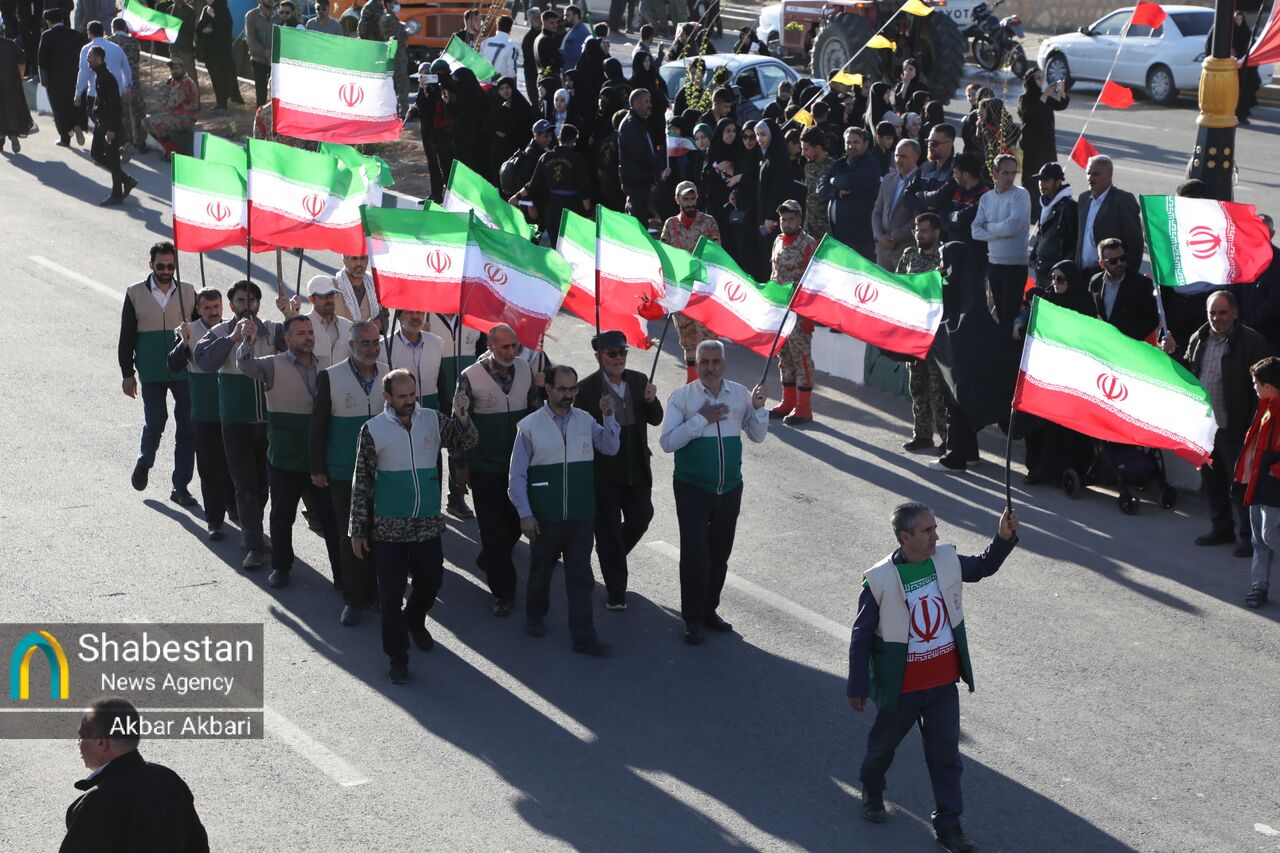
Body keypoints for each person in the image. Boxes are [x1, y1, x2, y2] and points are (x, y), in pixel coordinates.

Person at [848, 502, 1019, 853]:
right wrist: (857, 685)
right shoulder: (879, 579)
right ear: (905, 537)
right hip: (903, 688)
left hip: (941, 685)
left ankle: (949, 826)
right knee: (881, 749)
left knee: (946, 758)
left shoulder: (945, 560)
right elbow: (861, 636)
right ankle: (872, 790)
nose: (935, 536)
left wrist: (1002, 537)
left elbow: (983, 566)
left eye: (935, 528)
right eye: (927, 531)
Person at [350, 369, 478, 683]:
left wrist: (462, 416)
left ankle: (415, 618)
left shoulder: (431, 419)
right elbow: (362, 481)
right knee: (391, 597)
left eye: (412, 394)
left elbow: (467, 441)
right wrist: (358, 529)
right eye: (402, 396)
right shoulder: (373, 430)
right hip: (388, 529)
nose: (409, 401)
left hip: (427, 524)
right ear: (387, 397)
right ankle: (398, 658)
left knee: (431, 581)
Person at [659, 340, 769, 644]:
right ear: (696, 364)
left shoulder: (740, 394)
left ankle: (709, 610)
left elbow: (757, 436)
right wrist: (701, 419)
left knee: (720, 553)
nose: (710, 368)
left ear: (724, 364)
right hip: (692, 488)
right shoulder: (682, 398)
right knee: (695, 554)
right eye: (704, 362)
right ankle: (692, 620)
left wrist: (759, 408)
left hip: (730, 488)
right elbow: (667, 442)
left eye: (715, 362)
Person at [508, 364, 619, 653]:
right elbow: (516, 476)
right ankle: (535, 615)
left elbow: (610, 447)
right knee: (541, 570)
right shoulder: (530, 426)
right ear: (548, 388)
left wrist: (609, 416)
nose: (569, 395)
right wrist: (525, 514)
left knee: (581, 576)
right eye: (563, 389)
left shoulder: (585, 419)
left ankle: (584, 636)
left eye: (573, 389)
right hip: (546, 516)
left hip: (581, 514)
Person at [237, 314, 343, 590]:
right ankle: (281, 567)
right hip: (285, 459)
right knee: (282, 517)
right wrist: (248, 341)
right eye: (301, 333)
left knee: (331, 519)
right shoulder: (273, 365)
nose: (308, 337)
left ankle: (343, 575)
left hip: (320, 459)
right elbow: (245, 364)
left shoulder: (328, 365)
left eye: (310, 332)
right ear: (287, 339)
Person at [1160, 291, 1270, 558]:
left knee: (1242, 486)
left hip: (1237, 428)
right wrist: (1173, 353)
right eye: (1212, 313)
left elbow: (1264, 389)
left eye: (1222, 313)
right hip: (1207, 427)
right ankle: (1221, 528)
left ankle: (1249, 537)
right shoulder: (1198, 338)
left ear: (1235, 313)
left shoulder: (1252, 342)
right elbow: (1188, 374)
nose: (1217, 318)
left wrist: (1254, 428)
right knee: (1213, 481)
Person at [573, 330, 664, 610]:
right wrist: (602, 414)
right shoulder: (586, 389)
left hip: (636, 466)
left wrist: (651, 401)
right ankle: (616, 593)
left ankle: (610, 554)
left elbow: (656, 419)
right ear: (598, 356)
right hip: (605, 471)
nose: (618, 358)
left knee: (642, 516)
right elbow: (580, 433)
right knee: (609, 530)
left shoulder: (638, 380)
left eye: (622, 352)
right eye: (612, 353)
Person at [195, 281, 279, 569]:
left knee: (263, 485)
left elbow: (297, 346)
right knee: (245, 485)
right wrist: (233, 338)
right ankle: (254, 543)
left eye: (252, 300)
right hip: (235, 422)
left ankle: (254, 529)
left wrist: (290, 315)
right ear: (231, 305)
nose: (247, 306)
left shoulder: (272, 330)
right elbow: (205, 362)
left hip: (268, 421)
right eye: (241, 301)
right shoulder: (219, 333)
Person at [458, 324, 539, 616]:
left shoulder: (526, 369)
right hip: (485, 467)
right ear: (490, 345)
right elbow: (460, 424)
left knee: (516, 523)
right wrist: (461, 466)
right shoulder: (469, 377)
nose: (510, 352)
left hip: (519, 466)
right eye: (504, 346)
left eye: (514, 346)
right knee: (493, 530)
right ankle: (504, 594)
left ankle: (490, 557)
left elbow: (535, 412)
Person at [312, 321, 387, 625]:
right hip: (345, 472)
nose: (372, 348)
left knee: (379, 533)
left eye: (375, 342)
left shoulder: (389, 375)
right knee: (351, 534)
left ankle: (374, 592)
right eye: (365, 343)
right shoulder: (330, 377)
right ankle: (354, 598)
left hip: (383, 472)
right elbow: (318, 426)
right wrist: (317, 468)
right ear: (351, 346)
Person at [62, 697, 208, 851]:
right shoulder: (170, 781)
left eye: (82, 736)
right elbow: (198, 845)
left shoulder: (96, 802)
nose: (78, 742)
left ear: (101, 742)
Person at [120, 241, 198, 502]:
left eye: (171, 266)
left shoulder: (188, 292)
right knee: (156, 421)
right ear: (150, 264)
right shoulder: (135, 293)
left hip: (183, 369)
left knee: (188, 427)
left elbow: (203, 330)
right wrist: (127, 373)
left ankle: (180, 487)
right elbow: (126, 336)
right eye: (161, 266)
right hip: (151, 370)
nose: (166, 271)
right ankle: (145, 461)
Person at [166, 287, 236, 539]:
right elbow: (174, 364)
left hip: (232, 410)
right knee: (209, 467)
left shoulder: (232, 328)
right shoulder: (188, 330)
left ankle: (235, 508)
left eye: (216, 307)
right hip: (204, 411)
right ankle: (214, 520)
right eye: (207, 308)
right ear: (198, 308)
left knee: (233, 465)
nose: (213, 312)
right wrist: (183, 342)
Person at [897, 213, 947, 453]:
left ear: (936, 232)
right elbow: (898, 284)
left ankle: (948, 439)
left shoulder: (945, 257)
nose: (919, 235)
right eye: (917, 230)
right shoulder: (909, 255)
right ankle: (923, 435)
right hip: (914, 332)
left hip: (937, 334)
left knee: (939, 391)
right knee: (917, 386)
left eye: (924, 230)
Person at [660, 181, 721, 381]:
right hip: (681, 291)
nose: (690, 203)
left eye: (692, 198)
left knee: (709, 340)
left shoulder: (708, 222)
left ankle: (711, 382)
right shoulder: (670, 225)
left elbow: (716, 254)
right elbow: (664, 256)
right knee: (688, 340)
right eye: (685, 199)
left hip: (703, 292)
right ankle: (692, 382)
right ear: (677, 200)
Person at [1233, 356, 1280, 608]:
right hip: (1256, 481)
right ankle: (1258, 586)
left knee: (1270, 534)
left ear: (1268, 387)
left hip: (1273, 484)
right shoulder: (1265, 406)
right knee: (1258, 539)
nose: (1254, 387)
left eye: (1256, 383)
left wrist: (1275, 471)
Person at [767, 200, 819, 425]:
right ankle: (787, 402)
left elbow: (814, 281)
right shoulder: (778, 241)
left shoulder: (808, 244)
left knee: (801, 358)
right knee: (784, 356)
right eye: (783, 219)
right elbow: (774, 273)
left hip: (799, 311)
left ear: (799, 220)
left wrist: (808, 314)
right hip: (780, 309)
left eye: (791, 219)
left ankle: (804, 408)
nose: (786, 223)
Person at [971, 153, 1031, 338]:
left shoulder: (1020, 194)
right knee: (999, 315)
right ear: (995, 173)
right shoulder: (986, 198)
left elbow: (1012, 227)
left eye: (1013, 173)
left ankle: (1008, 353)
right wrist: (998, 233)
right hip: (994, 263)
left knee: (1009, 317)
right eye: (1005, 173)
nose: (1010, 177)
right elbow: (975, 230)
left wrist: (988, 227)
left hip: (1015, 265)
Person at [512, 122, 591, 245]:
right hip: (571, 211)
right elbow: (584, 190)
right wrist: (588, 213)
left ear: (559, 138)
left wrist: (517, 197)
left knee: (555, 246)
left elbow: (532, 185)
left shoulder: (545, 157)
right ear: (574, 140)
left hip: (551, 211)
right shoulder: (578, 159)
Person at [1075, 154, 1143, 272]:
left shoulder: (1123, 200)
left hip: (1108, 274)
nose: (1090, 178)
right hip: (1081, 272)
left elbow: (1134, 243)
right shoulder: (1083, 199)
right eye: (1088, 173)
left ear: (1109, 175)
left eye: (1095, 174)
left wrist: (1128, 276)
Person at [821, 126, 880, 261]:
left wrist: (834, 180)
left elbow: (846, 181)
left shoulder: (871, 165)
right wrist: (837, 192)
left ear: (866, 144)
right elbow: (821, 188)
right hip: (840, 235)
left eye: (856, 142)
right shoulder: (839, 164)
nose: (851, 146)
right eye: (848, 142)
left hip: (862, 236)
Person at [1017, 67, 1068, 218]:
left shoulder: (1043, 96)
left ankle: (1047, 209)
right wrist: (1045, 95)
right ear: (1030, 80)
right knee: (1032, 180)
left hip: (1046, 146)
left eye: (1042, 78)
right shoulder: (1024, 98)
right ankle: (1032, 212)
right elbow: (1029, 115)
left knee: (1048, 178)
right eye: (1037, 78)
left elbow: (1061, 105)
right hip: (1032, 146)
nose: (1040, 81)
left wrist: (1061, 91)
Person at [1089, 237, 1158, 341]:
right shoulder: (1095, 281)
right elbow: (1092, 312)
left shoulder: (1142, 284)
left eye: (1122, 258)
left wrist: (1127, 340)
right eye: (1113, 261)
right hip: (1103, 342)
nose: (1119, 263)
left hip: (1129, 345)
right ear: (1102, 264)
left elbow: (1152, 320)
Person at [37, 9, 87, 148]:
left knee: (60, 107)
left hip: (56, 79)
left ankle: (65, 137)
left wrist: (44, 80)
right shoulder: (75, 34)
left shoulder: (47, 35)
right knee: (76, 103)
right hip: (75, 76)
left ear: (49, 22)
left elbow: (42, 59)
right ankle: (77, 124)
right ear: (62, 19)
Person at [871, 139, 921, 270]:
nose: (898, 160)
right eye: (897, 155)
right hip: (883, 252)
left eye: (903, 156)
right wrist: (879, 236)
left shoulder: (921, 181)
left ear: (916, 157)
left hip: (906, 252)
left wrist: (894, 237)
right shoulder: (888, 179)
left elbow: (918, 218)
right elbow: (877, 211)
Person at [383, 310, 445, 409]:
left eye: (419, 312)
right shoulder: (384, 347)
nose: (415, 317)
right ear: (398, 317)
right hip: (399, 413)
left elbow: (441, 384)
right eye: (408, 312)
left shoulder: (437, 343)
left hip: (431, 411)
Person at [1029, 162, 1077, 288]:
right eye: (1040, 180)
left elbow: (1075, 242)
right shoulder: (1044, 203)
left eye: (1046, 180)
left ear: (1058, 182)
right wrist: (1033, 256)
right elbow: (1042, 234)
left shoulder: (1069, 206)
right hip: (1041, 270)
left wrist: (1063, 270)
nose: (1041, 184)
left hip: (1057, 275)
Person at [619, 87, 661, 227]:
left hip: (641, 180)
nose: (650, 105)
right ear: (636, 104)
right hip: (635, 180)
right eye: (646, 101)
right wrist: (658, 164)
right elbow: (640, 154)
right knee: (638, 222)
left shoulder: (640, 122)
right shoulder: (631, 125)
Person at [143, 58, 198, 158]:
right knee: (145, 122)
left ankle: (175, 152)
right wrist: (164, 96)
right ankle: (167, 148)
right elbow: (164, 101)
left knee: (156, 124)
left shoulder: (185, 83)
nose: (174, 71)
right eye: (172, 69)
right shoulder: (173, 81)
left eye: (177, 68)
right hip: (175, 115)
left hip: (186, 119)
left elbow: (171, 104)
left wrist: (164, 96)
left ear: (183, 69)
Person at [294, 275, 353, 365]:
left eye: (332, 295)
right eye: (323, 296)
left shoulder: (348, 326)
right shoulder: (300, 326)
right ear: (311, 299)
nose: (329, 300)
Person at [108, 17, 146, 154]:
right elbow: (136, 60)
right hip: (134, 82)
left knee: (123, 114)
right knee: (138, 113)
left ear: (113, 28)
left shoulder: (109, 42)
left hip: (117, 83)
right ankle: (141, 143)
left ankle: (127, 143)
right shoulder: (134, 42)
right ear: (125, 28)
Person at [196, 0, 242, 110]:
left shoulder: (223, 10)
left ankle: (224, 103)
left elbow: (226, 28)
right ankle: (219, 102)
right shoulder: (205, 10)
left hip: (222, 52)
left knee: (223, 77)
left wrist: (214, 16)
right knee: (215, 78)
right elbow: (198, 29)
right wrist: (203, 30)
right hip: (209, 52)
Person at [74, 21, 131, 107]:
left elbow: (83, 73)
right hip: (116, 93)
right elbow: (126, 70)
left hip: (95, 94)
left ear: (89, 33)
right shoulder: (117, 48)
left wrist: (78, 93)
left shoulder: (87, 49)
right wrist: (127, 88)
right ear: (103, 32)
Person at [332, 253, 384, 329]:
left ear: (368, 260)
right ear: (344, 260)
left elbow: (384, 317)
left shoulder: (375, 285)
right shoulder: (331, 288)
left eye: (363, 258)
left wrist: (377, 324)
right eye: (354, 258)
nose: (359, 263)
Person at [243, 0, 278, 107]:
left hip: (275, 60)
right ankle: (260, 115)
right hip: (258, 59)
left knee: (276, 92)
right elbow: (250, 39)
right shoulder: (251, 16)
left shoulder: (278, 16)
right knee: (261, 93)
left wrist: (273, 52)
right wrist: (264, 51)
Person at [799, 126, 832, 240]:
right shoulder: (808, 166)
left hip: (827, 232)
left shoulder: (833, 168)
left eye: (806, 149)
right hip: (808, 230)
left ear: (818, 148)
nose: (803, 153)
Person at [479, 14, 520, 79]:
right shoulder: (512, 47)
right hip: (500, 83)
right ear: (510, 29)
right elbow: (512, 74)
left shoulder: (485, 42)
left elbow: (480, 63)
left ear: (497, 27)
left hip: (483, 82)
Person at [521, 7, 542, 110]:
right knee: (536, 103)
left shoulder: (546, 33)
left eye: (540, 17)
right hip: (532, 76)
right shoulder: (528, 39)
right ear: (531, 21)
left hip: (543, 75)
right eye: (537, 18)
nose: (540, 20)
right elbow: (533, 58)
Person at [534, 9, 563, 79]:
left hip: (542, 76)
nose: (555, 25)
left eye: (556, 22)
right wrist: (547, 74)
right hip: (549, 78)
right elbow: (556, 62)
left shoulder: (538, 37)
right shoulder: (547, 39)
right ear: (543, 22)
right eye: (551, 23)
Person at [559, 4, 589, 71]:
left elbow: (579, 54)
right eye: (564, 15)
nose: (564, 18)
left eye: (567, 15)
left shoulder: (581, 32)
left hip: (572, 72)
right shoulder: (572, 29)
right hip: (566, 70)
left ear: (576, 16)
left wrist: (559, 52)